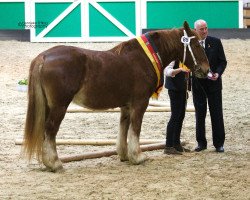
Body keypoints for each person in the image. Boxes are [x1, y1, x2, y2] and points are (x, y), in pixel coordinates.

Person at [192, 19, 227, 153]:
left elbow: (222, 62)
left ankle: (219, 144)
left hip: (214, 84)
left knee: (216, 113)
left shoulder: (216, 42)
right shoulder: (191, 44)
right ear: (196, 30)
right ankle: (201, 143)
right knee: (199, 114)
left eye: (206, 28)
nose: (205, 31)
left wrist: (218, 73)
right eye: (202, 29)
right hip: (198, 85)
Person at [163, 61, 191, 155]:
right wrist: (180, 70)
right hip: (174, 89)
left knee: (180, 116)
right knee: (175, 116)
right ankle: (168, 146)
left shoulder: (184, 55)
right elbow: (167, 71)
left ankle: (176, 143)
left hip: (182, 88)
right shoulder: (174, 55)